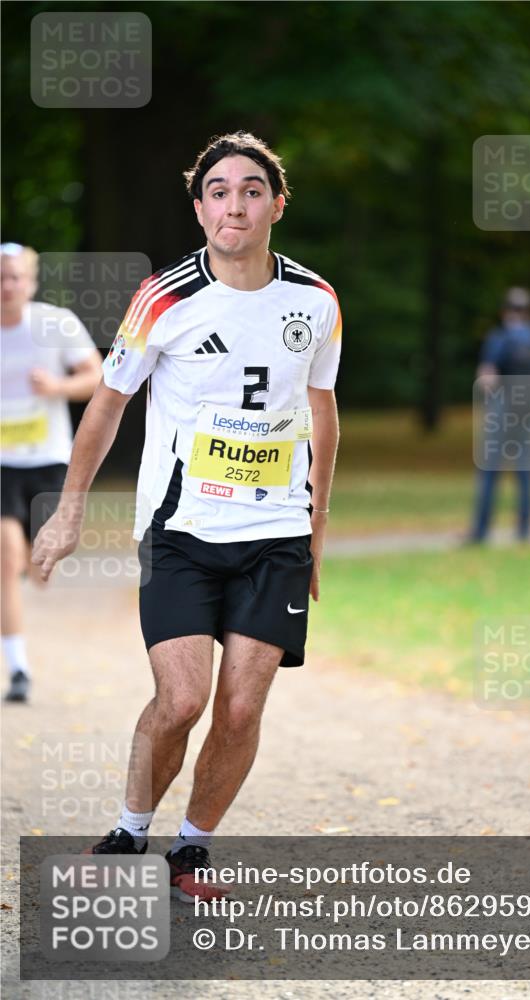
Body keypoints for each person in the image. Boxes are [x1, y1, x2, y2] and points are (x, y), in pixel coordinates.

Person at [32, 131, 342, 903]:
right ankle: (128, 832)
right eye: (216, 191)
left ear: (275, 203)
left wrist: (317, 527)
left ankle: (191, 852)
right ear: (199, 207)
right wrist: (68, 512)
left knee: (241, 703)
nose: (232, 204)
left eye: (248, 189)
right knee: (182, 699)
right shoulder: (163, 297)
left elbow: (322, 412)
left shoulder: (315, 299)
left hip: (274, 536)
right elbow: (107, 405)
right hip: (181, 533)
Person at [1, 243, 101, 703]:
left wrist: (57, 385)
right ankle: (18, 668)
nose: (7, 286)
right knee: (6, 561)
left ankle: (27, 562)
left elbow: (97, 377)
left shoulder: (55, 323)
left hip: (49, 459)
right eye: (0, 277)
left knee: (41, 566)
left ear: (31, 281)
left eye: (15, 277)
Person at [468, 287, 530, 544]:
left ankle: (481, 531)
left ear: (505, 310)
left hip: (502, 408)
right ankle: (524, 530)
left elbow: (487, 377)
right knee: (525, 469)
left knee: (489, 469)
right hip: (529, 410)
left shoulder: (500, 337)